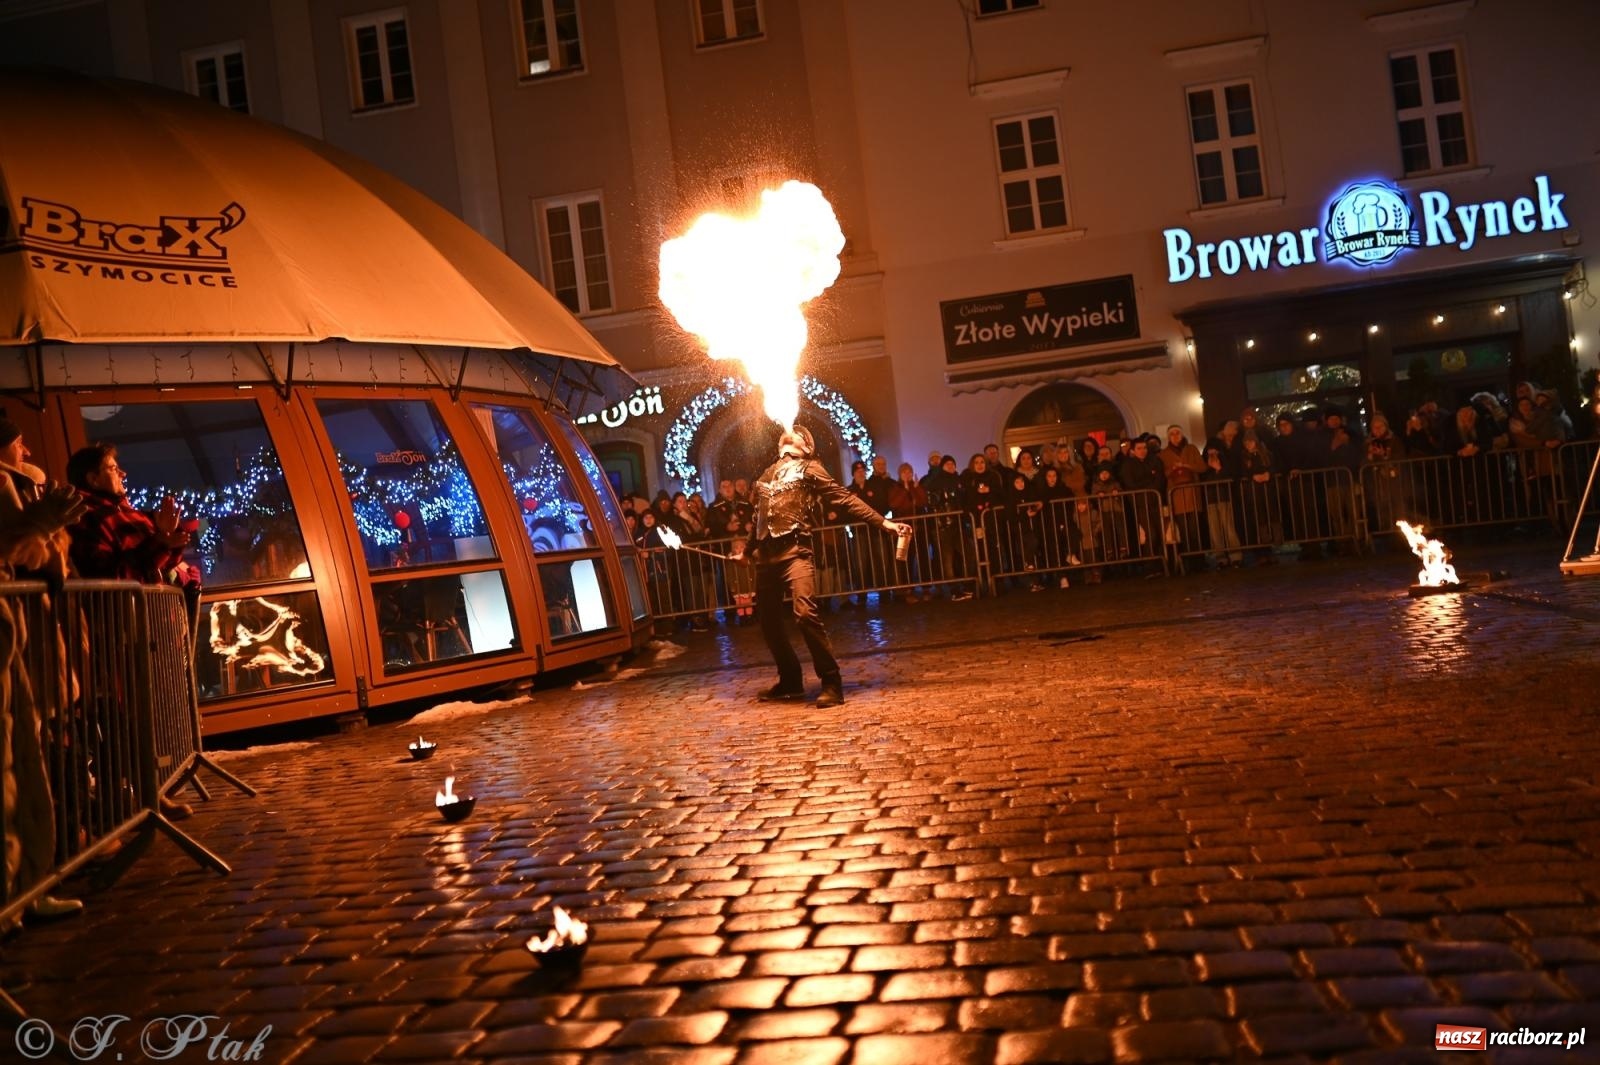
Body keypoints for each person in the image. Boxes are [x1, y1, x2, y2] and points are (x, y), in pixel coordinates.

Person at [64, 443, 198, 821]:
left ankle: (149, 793)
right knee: (122, 716)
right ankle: (127, 801)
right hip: (115, 626)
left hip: (142, 624)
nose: (121, 473)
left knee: (144, 712)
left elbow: (148, 564)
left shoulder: (123, 513)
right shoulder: (87, 515)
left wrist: (167, 542)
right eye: (112, 467)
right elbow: (107, 570)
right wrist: (159, 542)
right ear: (92, 477)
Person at [744, 426, 909, 709]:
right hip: (766, 559)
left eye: (799, 433)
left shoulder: (811, 468)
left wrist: (885, 523)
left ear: (807, 446)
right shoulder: (766, 474)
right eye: (789, 433)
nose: (791, 432)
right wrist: (747, 551)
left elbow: (845, 498)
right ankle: (791, 680)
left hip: (796, 553)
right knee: (768, 622)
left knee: (805, 613)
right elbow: (759, 517)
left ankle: (832, 682)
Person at [0, 419, 89, 922]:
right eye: (16, 440)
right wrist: (41, 525)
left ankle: (28, 882)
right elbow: (20, 552)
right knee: (13, 771)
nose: (25, 447)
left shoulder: (14, 483)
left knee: (24, 766)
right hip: (14, 635)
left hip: (20, 639)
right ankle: (17, 893)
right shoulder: (5, 484)